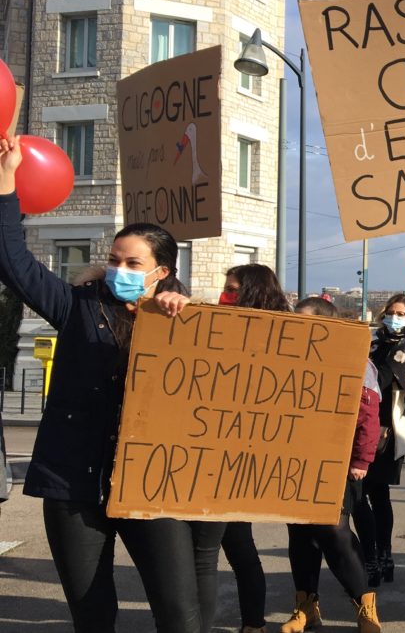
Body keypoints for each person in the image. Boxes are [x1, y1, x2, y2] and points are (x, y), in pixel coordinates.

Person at [0, 134, 217, 632]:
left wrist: (183, 325)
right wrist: (7, 181)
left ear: (161, 273)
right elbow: (12, 261)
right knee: (93, 616)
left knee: (180, 614)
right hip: (74, 486)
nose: (119, 269)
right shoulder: (76, 307)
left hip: (153, 485)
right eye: (114, 259)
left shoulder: (187, 324)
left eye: (132, 263)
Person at [280, 296, 383, 633]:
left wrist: (361, 458)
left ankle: (364, 606)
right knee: (300, 535)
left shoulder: (356, 359)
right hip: (295, 457)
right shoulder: (289, 355)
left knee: (334, 531)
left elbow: (368, 414)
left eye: (305, 320)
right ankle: (306, 607)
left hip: (336, 461)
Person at [216, 264, 290, 633]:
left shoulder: (283, 337)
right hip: (204, 450)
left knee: (239, 547)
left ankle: (252, 624)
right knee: (205, 552)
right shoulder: (209, 328)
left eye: (231, 289)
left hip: (238, 460)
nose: (224, 294)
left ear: (253, 293)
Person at [353, 291, 405, 587]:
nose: (395, 318)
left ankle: (380, 557)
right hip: (363, 425)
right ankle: (375, 557)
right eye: (393, 312)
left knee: (374, 495)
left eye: (402, 314)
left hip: (387, 431)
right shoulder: (372, 341)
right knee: (363, 496)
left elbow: (381, 379)